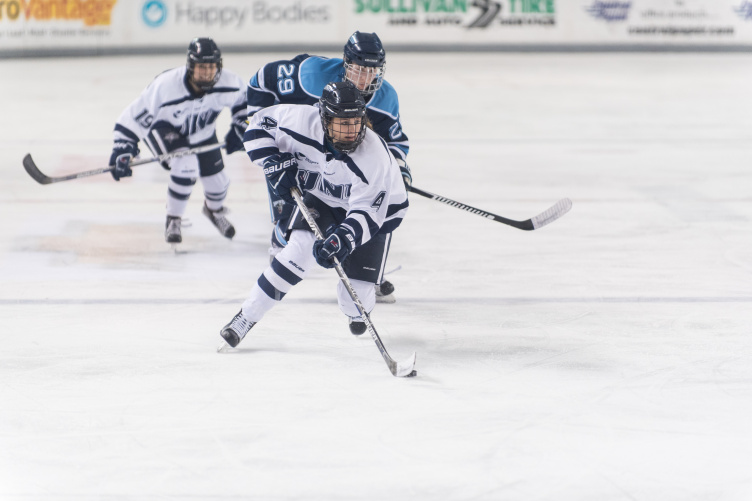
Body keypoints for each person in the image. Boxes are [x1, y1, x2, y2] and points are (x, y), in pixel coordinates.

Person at [219, 81, 409, 346]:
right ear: (325, 118)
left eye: (355, 122)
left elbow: (367, 213)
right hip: (324, 197)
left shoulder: (374, 157)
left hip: (380, 214)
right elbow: (256, 127)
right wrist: (272, 162)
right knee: (297, 253)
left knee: (353, 303)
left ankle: (361, 298)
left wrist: (342, 239)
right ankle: (245, 317)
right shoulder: (299, 121)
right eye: (342, 123)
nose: (351, 132)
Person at [245, 31, 410, 302]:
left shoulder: (386, 98)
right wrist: (252, 116)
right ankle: (280, 258)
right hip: (294, 153)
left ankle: (365, 273)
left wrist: (398, 171)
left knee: (366, 211)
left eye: (372, 71)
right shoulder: (312, 74)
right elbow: (264, 79)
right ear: (346, 65)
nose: (365, 78)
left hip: (340, 166)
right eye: (358, 70)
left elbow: (393, 142)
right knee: (288, 210)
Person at [109, 37, 247, 244]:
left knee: (218, 183)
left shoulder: (228, 82)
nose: (208, 72)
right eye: (202, 67)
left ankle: (214, 211)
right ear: (191, 66)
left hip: (203, 133)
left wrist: (241, 127)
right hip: (164, 130)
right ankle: (173, 218)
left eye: (211, 67)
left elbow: (246, 103)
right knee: (186, 165)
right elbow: (134, 116)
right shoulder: (166, 86)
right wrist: (123, 147)